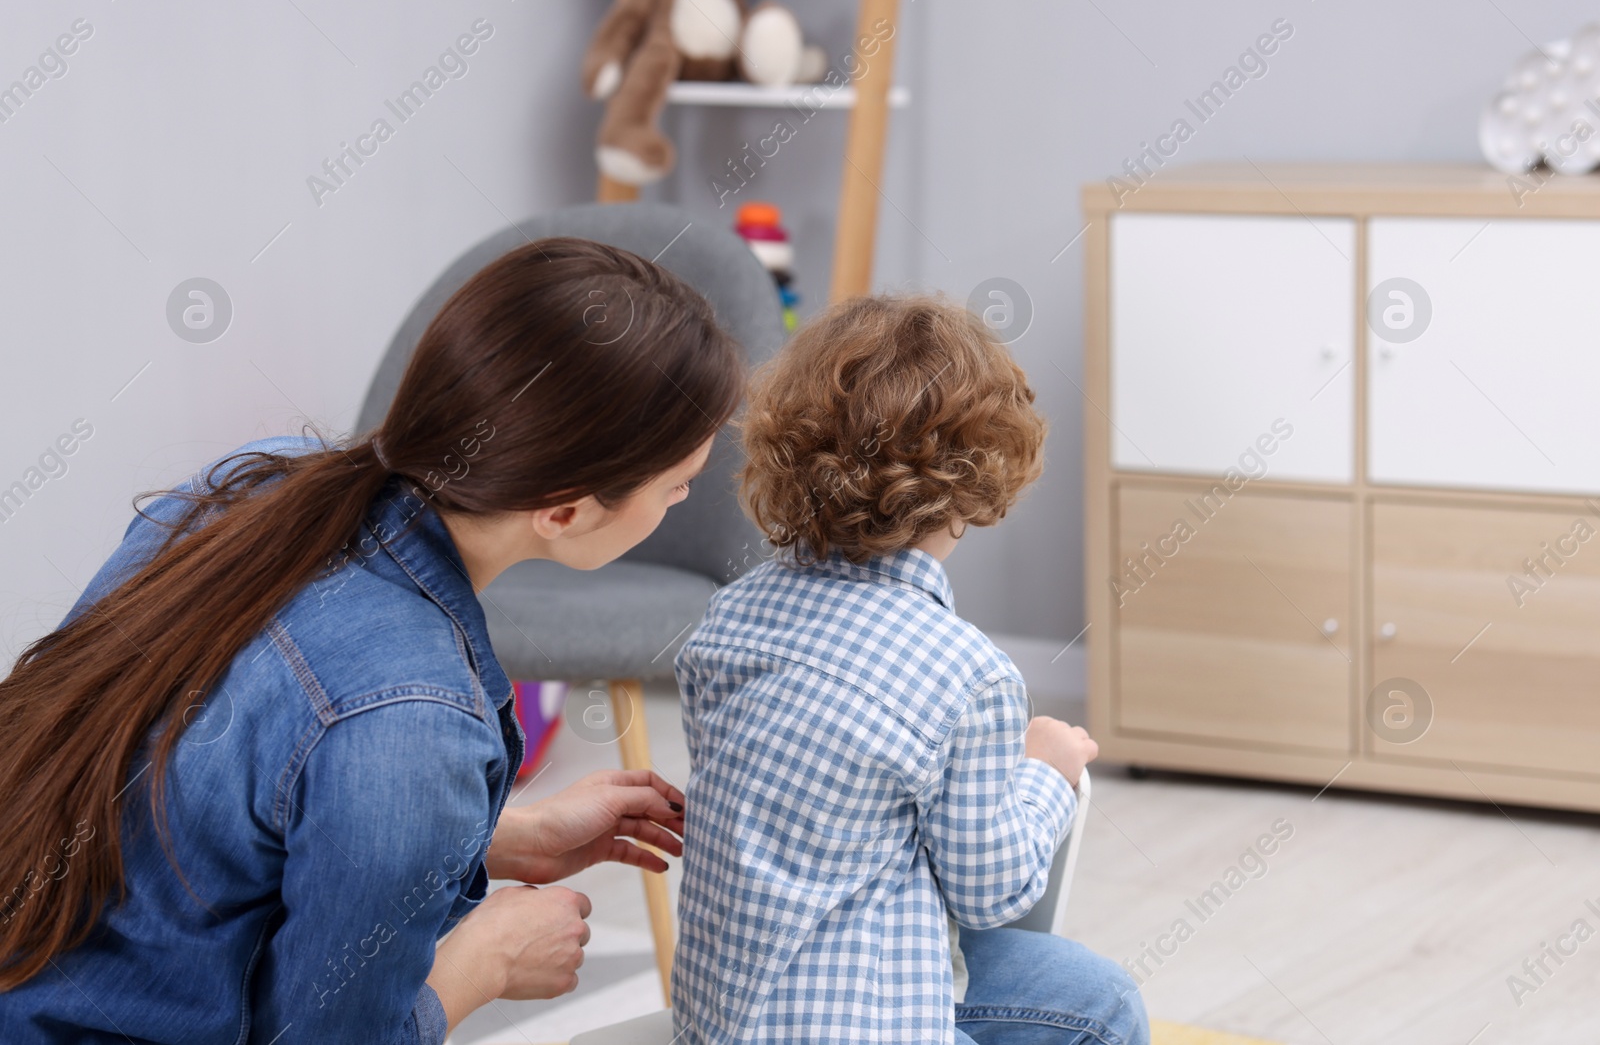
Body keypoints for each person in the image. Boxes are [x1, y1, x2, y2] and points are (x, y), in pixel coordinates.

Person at [0, 238, 745, 1044]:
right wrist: (482, 963)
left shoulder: (253, 484)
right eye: (677, 487)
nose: (681, 500)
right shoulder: (414, 716)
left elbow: (195, 821)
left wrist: (495, 842)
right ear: (563, 510)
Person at [670, 294, 1150, 1044]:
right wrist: (1046, 776)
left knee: (1079, 984)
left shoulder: (730, 617)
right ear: (973, 480)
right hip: (862, 1025)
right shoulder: (965, 675)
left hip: (718, 1022)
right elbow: (990, 890)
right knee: (1105, 1008)